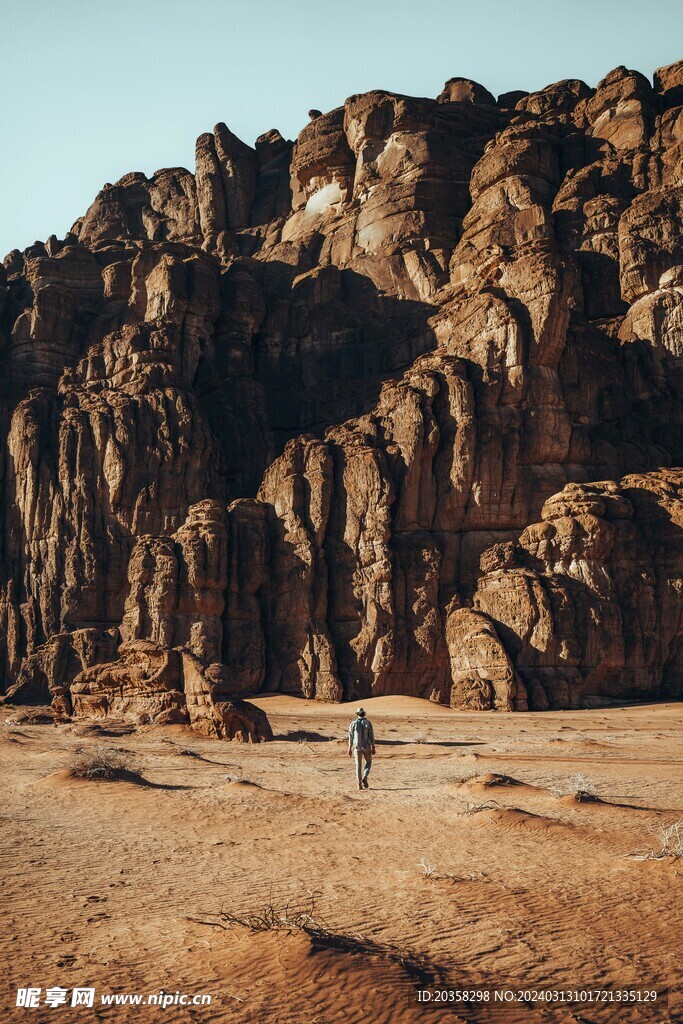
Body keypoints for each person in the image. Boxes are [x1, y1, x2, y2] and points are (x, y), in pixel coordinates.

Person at [347, 707, 376, 790]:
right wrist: (373, 747)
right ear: (364, 714)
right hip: (367, 746)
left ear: (357, 715)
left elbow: (350, 737)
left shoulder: (353, 724)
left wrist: (349, 748)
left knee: (358, 765)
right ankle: (365, 776)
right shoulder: (368, 723)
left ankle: (359, 783)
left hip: (357, 747)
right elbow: (371, 736)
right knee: (369, 762)